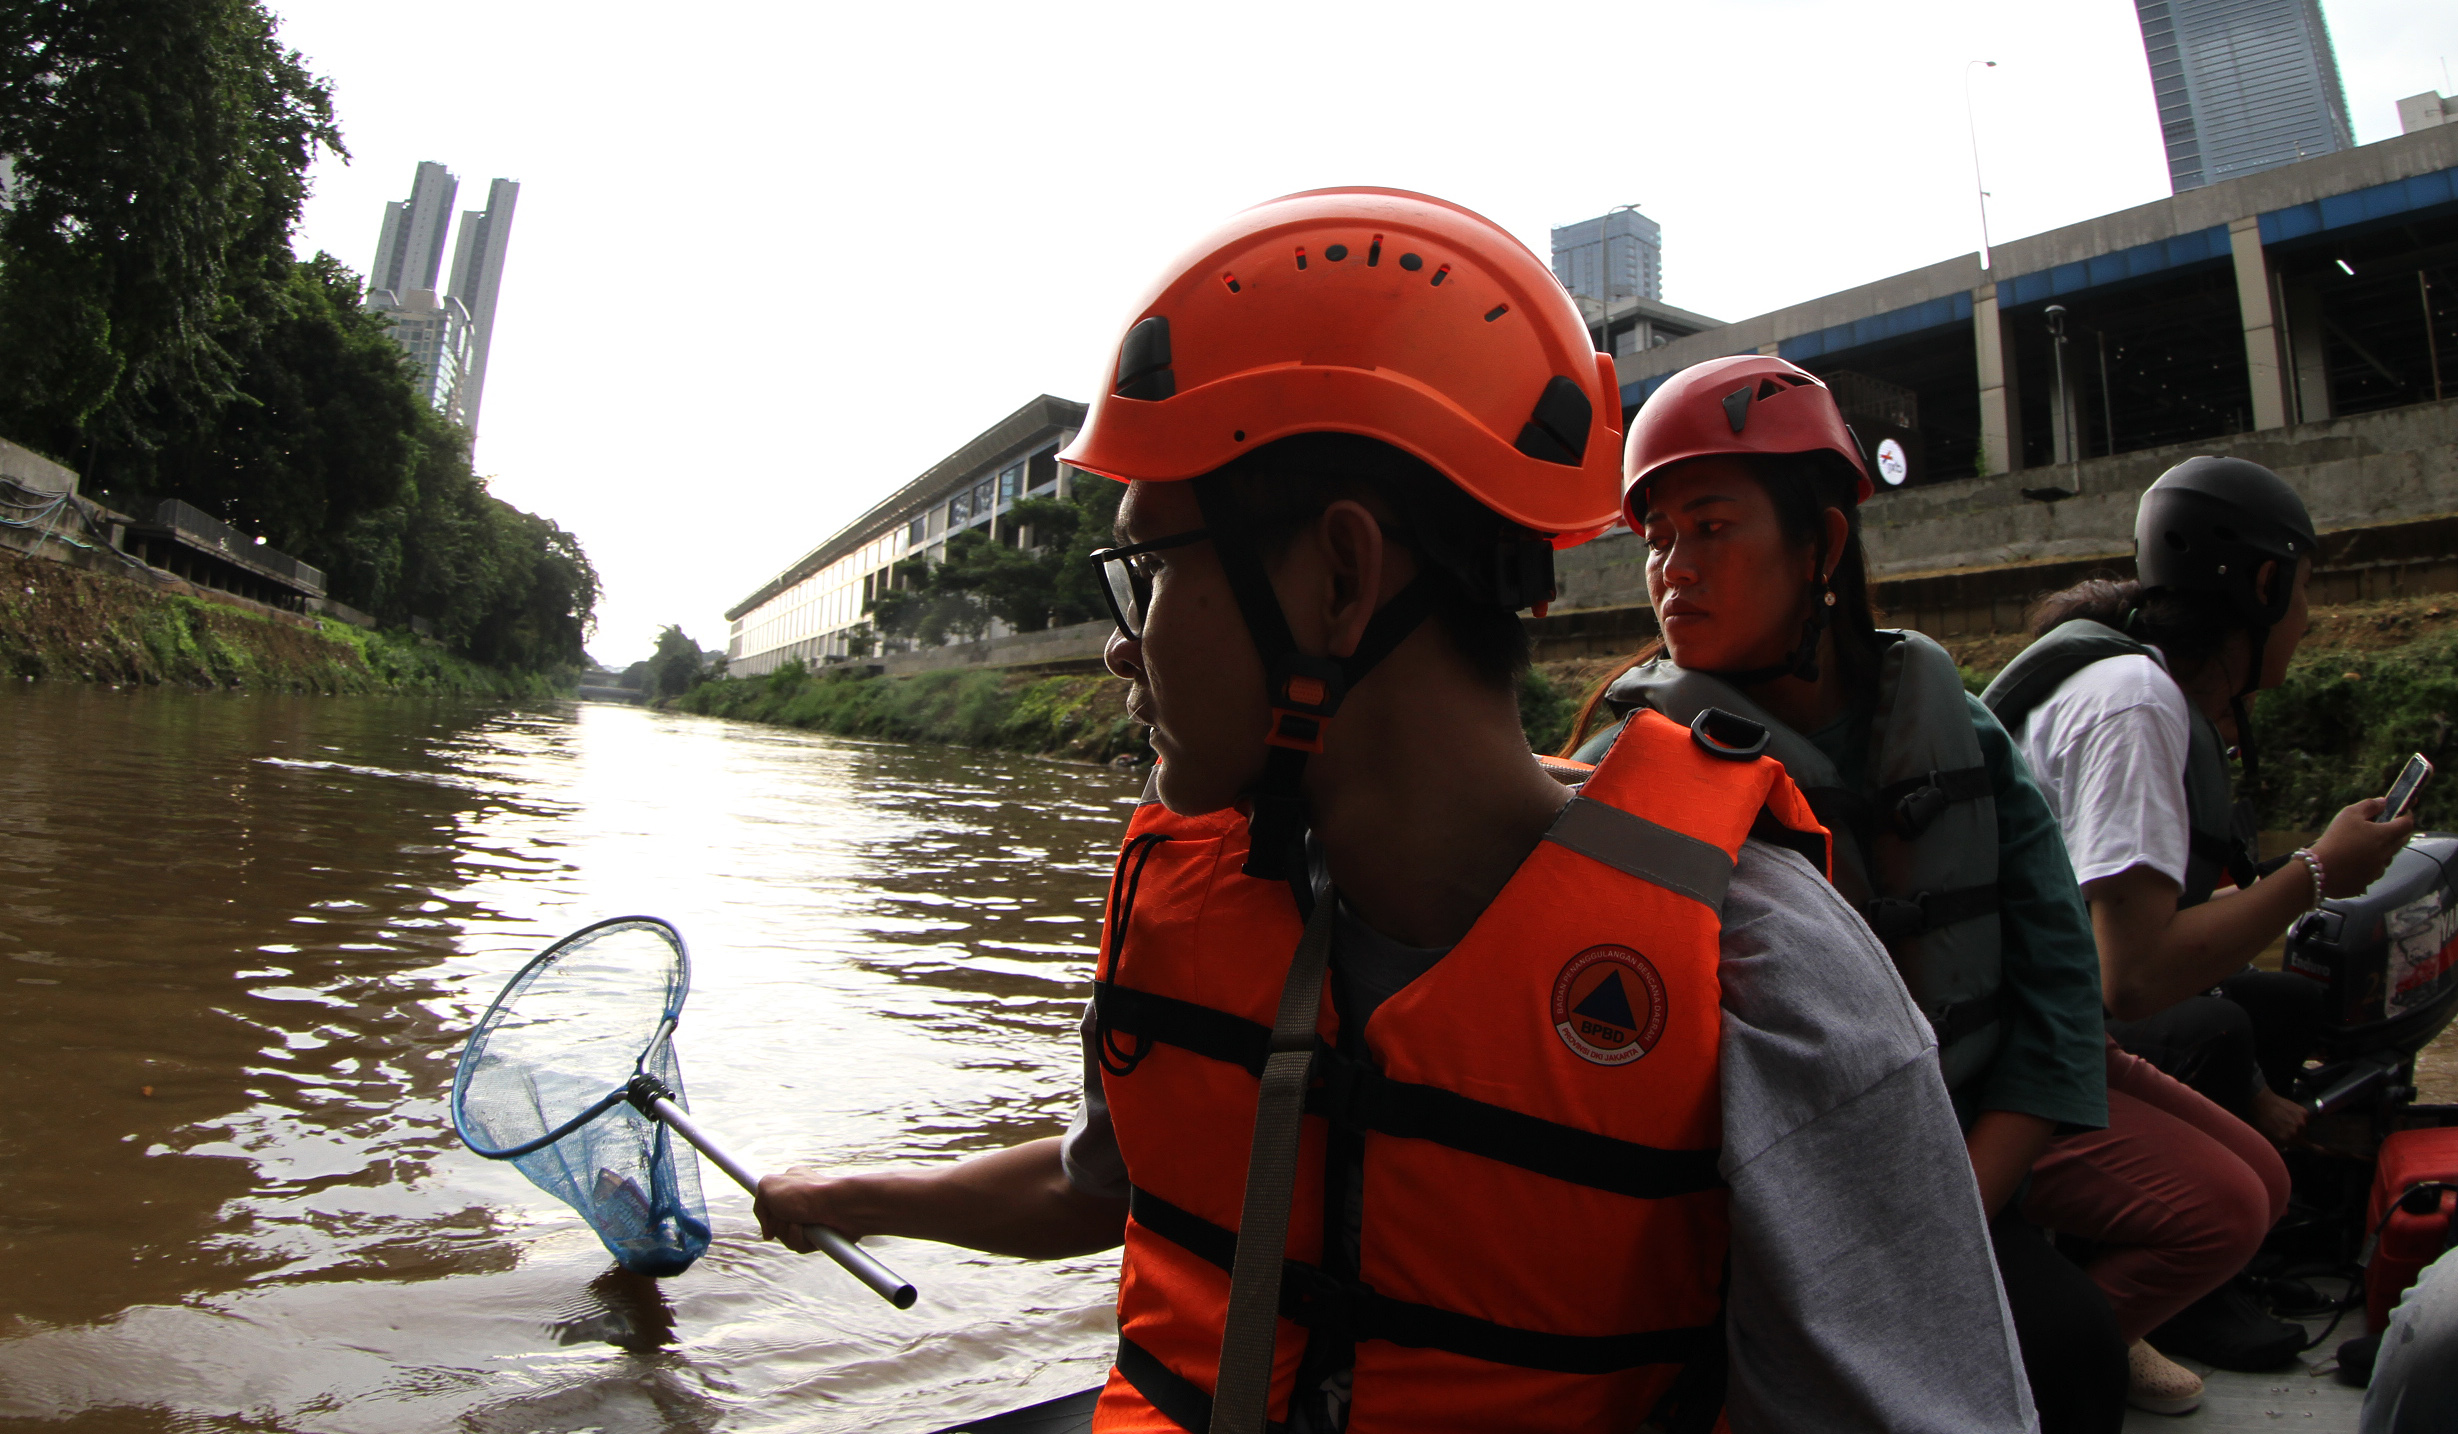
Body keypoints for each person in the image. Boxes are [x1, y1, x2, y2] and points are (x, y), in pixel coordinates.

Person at [754, 189, 2036, 1433]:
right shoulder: (1203, 892)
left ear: (1341, 579)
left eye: (1145, 570)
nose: (1117, 647)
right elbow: (1114, 1179)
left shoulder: (1769, 983)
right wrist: (856, 1193)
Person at [1559, 356, 2123, 1431]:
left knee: (2070, 1346)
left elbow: (2059, 1011)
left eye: (1710, 528)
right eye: (1657, 539)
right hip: (1748, 1225)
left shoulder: (1964, 733)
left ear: (1820, 544)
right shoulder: (1617, 769)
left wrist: (1936, 1217)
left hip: (1958, 1174)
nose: (1672, 567)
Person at [1981, 457, 2414, 1386]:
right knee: (2224, 1211)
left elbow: (2109, 927)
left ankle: (2076, 1323)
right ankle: (2015, 1371)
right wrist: (2318, 873)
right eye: (2304, 592)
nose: (2308, 620)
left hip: (2041, 1027)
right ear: (2264, 585)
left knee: (2265, 1177)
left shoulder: (2129, 684)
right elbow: (2129, 978)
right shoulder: (2136, 705)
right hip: (1996, 1058)